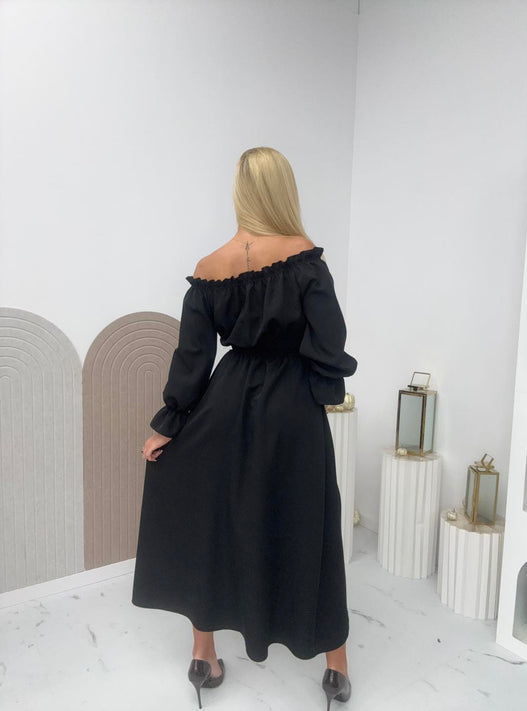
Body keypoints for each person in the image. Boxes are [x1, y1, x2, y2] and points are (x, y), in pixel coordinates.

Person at [131, 146, 358, 710]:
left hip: (224, 401)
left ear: (240, 193)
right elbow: (330, 344)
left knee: (210, 520)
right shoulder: (304, 257)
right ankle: (335, 666)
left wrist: (169, 424)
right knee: (309, 521)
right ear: (282, 190)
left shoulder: (210, 267)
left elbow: (192, 359)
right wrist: (322, 389)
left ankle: (202, 655)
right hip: (292, 409)